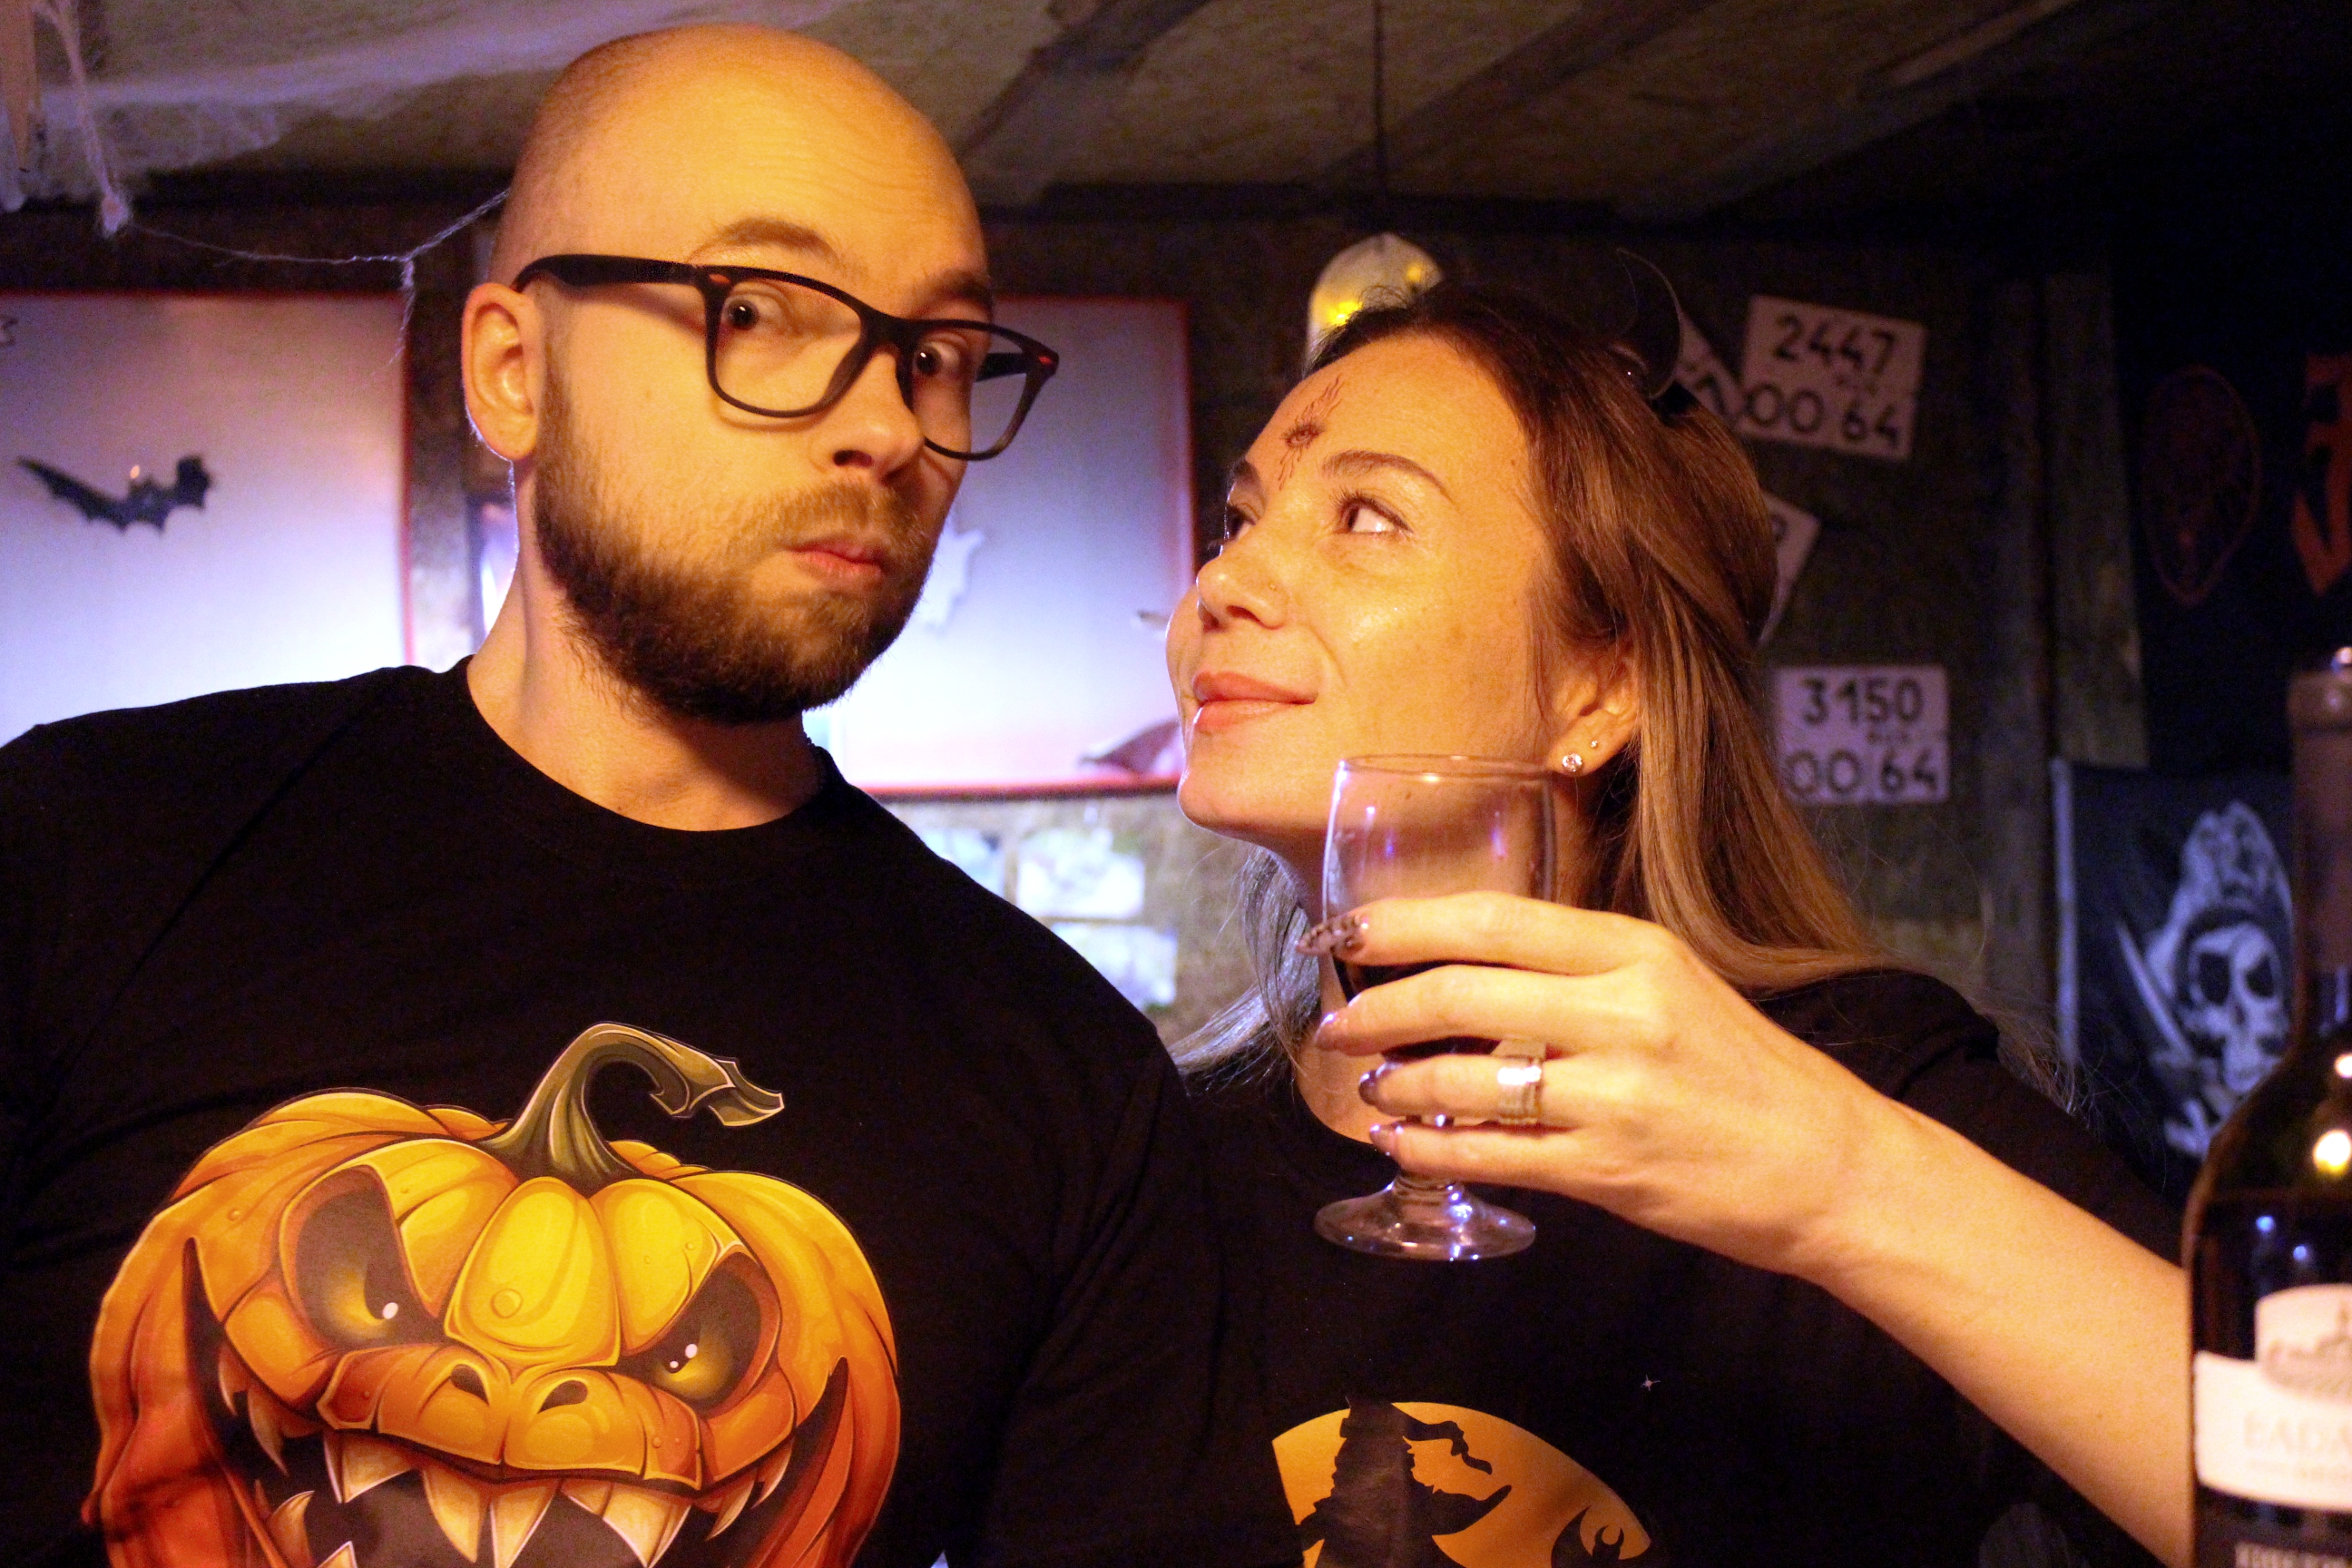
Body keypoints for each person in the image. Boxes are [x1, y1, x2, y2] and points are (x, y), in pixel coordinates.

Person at [0, 26, 1298, 1568]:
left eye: (938, 355)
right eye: (757, 311)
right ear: (513, 372)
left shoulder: (1065, 1078)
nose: (889, 427)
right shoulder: (86, 847)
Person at [1164, 280, 2186, 1568]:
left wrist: (1847, 1185)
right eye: (1238, 519)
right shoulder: (1146, 1158)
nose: (1229, 580)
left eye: (1369, 516)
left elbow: (2301, 1487)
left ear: (1604, 684)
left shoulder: (1854, 1093)